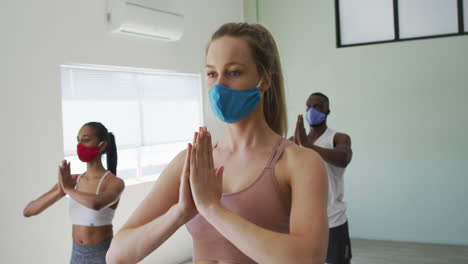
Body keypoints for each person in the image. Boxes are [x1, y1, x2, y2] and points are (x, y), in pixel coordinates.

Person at [106, 22, 329, 264]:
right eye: (212, 74)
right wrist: (179, 213)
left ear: (264, 80)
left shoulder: (299, 163)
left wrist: (213, 209)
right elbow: (117, 255)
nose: (219, 86)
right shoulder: (191, 163)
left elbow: (308, 258)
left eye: (234, 72)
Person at [23, 121, 125, 264]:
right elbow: (28, 211)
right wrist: (59, 191)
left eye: (86, 140)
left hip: (102, 255)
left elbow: (96, 204)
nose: (80, 146)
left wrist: (68, 189)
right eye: (78, 140)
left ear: (102, 145)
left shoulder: (114, 182)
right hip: (76, 255)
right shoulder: (73, 181)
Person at [291, 92, 353, 264]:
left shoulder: (338, 137)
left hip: (333, 221)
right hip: (303, 222)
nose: (312, 110)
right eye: (308, 106)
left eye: (317, 106)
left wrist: (308, 146)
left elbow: (344, 158)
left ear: (327, 111)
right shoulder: (294, 141)